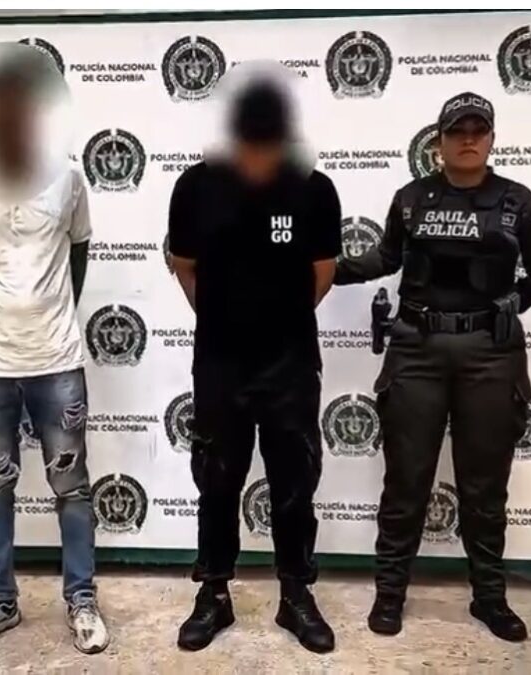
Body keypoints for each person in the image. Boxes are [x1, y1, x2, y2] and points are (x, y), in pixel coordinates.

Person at [335, 91, 531, 642]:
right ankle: (390, 594)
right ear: (438, 143)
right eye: (457, 131)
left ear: (491, 139)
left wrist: (507, 308)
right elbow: (387, 257)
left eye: (477, 131)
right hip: (417, 348)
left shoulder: (519, 203)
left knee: (484, 485)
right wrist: (327, 269)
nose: (468, 140)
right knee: (406, 479)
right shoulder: (411, 200)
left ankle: (490, 598)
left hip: (490, 353)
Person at [0, 45, 108, 655]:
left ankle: (81, 600)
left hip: (56, 357)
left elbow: (78, 253)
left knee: (72, 486)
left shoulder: (68, 176)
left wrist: (46, 311)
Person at [168, 73, 341, 654]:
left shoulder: (314, 190)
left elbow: (322, 273)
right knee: (217, 478)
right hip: (220, 360)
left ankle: (296, 594)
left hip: (290, 360)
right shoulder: (196, 187)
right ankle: (214, 593)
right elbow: (184, 265)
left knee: (294, 480)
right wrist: (227, 320)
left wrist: (276, 321)